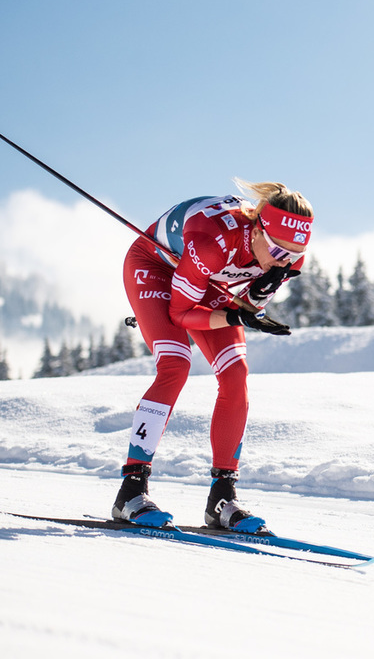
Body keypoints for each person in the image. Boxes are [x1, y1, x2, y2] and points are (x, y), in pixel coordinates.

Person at [112, 180, 312, 533]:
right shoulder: (212, 242)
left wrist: (255, 297)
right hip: (157, 268)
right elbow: (180, 314)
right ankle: (131, 491)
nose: (284, 262)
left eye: (294, 256)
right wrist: (237, 315)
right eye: (279, 252)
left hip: (209, 282)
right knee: (176, 363)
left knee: (236, 375)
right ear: (257, 229)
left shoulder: (285, 251)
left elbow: (249, 300)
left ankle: (222, 497)